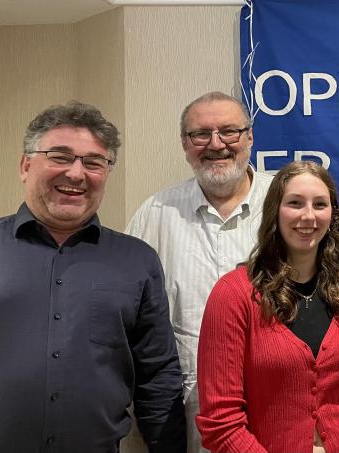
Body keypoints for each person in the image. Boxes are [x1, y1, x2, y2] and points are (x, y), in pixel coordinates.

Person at [0, 102, 186, 452]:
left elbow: (158, 378)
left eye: (93, 162)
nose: (77, 174)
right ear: (25, 165)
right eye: (60, 157)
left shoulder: (136, 261)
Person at [196, 160, 339, 453]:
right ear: (275, 210)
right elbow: (220, 422)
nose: (308, 216)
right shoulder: (234, 294)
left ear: (332, 214)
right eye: (295, 203)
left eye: (320, 204)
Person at [125, 91, 273, 452]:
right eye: (200, 134)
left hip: (274, 404)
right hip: (184, 413)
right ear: (184, 144)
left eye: (229, 132)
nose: (216, 144)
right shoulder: (155, 213)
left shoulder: (285, 204)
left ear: (250, 137)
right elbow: (129, 315)